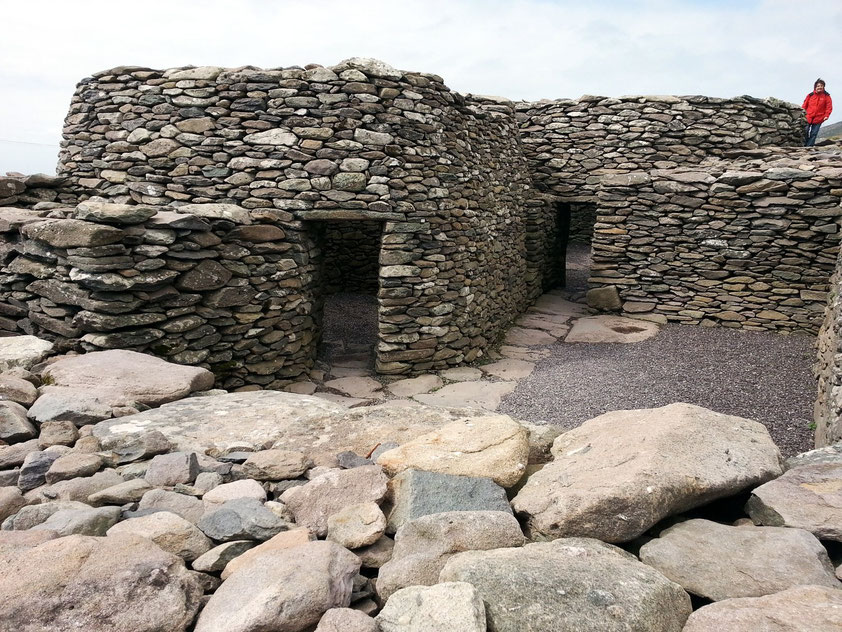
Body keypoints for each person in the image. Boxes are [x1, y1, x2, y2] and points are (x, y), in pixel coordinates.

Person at [802, 78, 832, 147]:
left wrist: (826, 115)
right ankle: (805, 145)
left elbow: (829, 107)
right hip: (808, 116)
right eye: (818, 86)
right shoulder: (810, 95)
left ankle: (809, 147)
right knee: (805, 131)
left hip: (819, 117)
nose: (820, 87)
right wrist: (802, 113)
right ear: (815, 87)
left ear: (824, 87)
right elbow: (804, 105)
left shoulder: (827, 96)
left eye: (821, 86)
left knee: (814, 133)